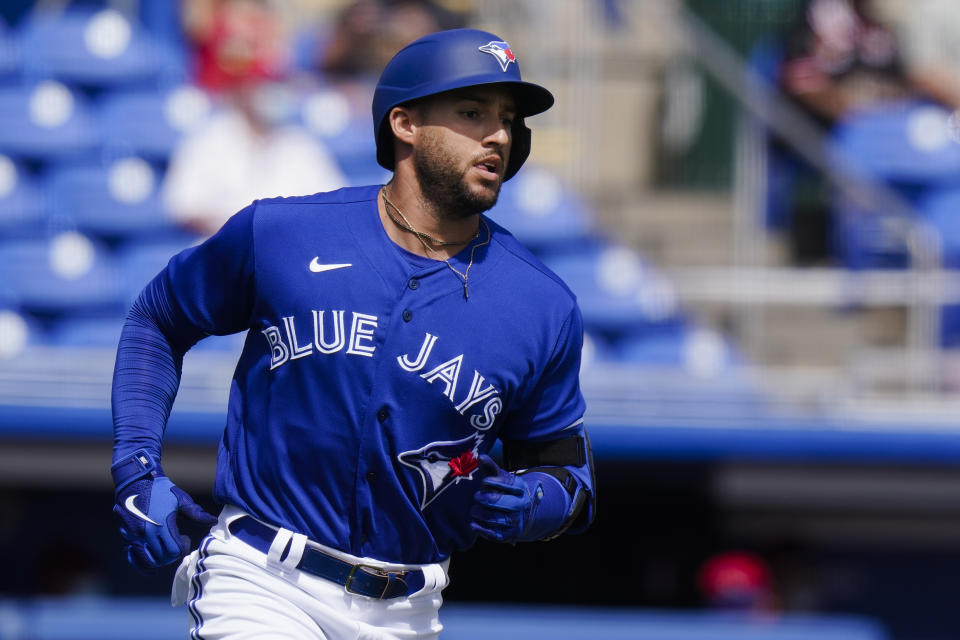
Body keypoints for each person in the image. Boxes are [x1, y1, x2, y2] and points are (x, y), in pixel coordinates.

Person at [110, 28, 596, 639]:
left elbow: (567, 475)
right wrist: (137, 469)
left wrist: (537, 506)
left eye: (506, 119)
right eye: (472, 113)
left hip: (409, 608)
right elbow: (157, 318)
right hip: (263, 579)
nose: (497, 134)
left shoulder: (542, 304)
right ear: (404, 124)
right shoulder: (284, 233)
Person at [162, 0, 346, 236]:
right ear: (244, 89)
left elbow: (334, 205)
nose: (271, 93)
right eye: (262, 84)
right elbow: (182, 207)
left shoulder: (299, 142)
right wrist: (244, 229)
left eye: (276, 84)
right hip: (225, 254)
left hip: (289, 253)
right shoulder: (209, 138)